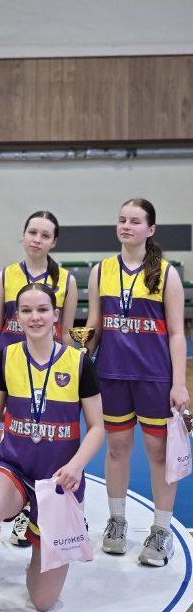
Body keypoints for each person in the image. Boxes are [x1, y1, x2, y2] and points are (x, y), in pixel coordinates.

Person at [0, 282, 103, 612]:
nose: (35, 317)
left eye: (42, 310)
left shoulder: (79, 362)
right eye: (26, 310)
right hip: (14, 466)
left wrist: (77, 465)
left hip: (59, 481)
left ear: (56, 315)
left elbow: (97, 427)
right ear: (17, 317)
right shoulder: (7, 356)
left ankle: (38, 543)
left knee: (42, 601)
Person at [87, 198, 190, 567]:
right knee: (116, 449)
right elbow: (95, 326)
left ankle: (161, 531)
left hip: (155, 377)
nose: (126, 226)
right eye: (122, 220)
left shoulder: (167, 274)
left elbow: (177, 334)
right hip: (111, 375)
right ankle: (117, 522)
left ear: (151, 229)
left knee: (159, 453)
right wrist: (76, 355)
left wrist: (179, 384)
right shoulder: (101, 270)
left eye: (134, 221)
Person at [0, 210, 77, 548]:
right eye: (32, 232)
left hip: (48, 373)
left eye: (45, 235)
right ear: (23, 236)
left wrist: (70, 375)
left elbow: (67, 333)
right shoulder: (5, 276)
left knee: (42, 439)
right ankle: (17, 500)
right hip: (11, 369)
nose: (37, 239)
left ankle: (36, 508)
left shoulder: (66, 280)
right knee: (10, 436)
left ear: (54, 242)